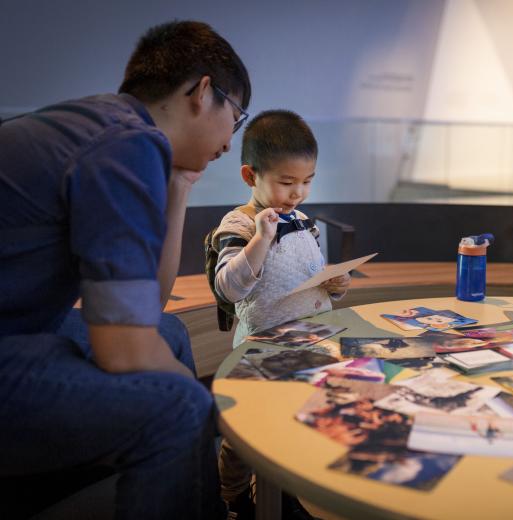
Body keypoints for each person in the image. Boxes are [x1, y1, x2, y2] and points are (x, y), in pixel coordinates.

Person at [0, 20, 250, 519]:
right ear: (203, 92)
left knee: (170, 331)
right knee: (184, 409)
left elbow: (145, 312)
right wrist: (214, 408)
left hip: (20, 326)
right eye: (237, 117)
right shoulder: (124, 146)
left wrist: (179, 187)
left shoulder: (106, 126)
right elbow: (125, 350)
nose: (228, 143)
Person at [213, 110, 350, 515]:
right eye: (287, 183)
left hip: (311, 343)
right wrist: (261, 237)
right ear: (250, 175)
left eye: (307, 181)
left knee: (302, 418)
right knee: (246, 434)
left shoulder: (304, 221)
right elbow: (228, 287)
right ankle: (233, 496)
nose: (298, 194)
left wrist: (336, 284)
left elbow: (311, 274)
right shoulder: (239, 225)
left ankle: (291, 490)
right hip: (261, 351)